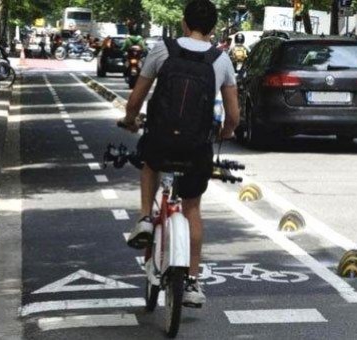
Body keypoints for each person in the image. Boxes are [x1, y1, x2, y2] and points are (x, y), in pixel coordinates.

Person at [118, 0, 239, 307]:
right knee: (193, 209)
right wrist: (224, 133)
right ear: (213, 28)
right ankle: (192, 281)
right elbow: (234, 116)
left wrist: (130, 121)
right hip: (197, 145)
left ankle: (146, 218)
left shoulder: (163, 49)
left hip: (160, 138)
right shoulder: (221, 60)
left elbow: (136, 99)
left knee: (149, 164)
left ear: (184, 23)